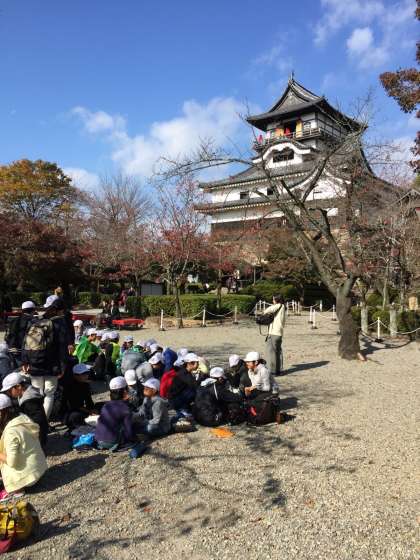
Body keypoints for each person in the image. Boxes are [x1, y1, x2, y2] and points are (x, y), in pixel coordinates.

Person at [22, 296, 71, 421]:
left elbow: (26, 341)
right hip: (51, 365)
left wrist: (25, 360)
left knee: (36, 393)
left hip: (34, 362)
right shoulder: (59, 324)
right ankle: (43, 422)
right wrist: (63, 367)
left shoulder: (36, 321)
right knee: (49, 393)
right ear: (58, 309)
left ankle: (34, 421)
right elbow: (62, 348)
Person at [0, 394, 47, 502]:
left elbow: (12, 462)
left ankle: (16, 489)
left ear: (2, 412)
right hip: (39, 470)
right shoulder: (22, 418)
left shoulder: (11, 431)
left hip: (28, 479)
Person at [1, 372, 48, 449]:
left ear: (18, 387)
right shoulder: (26, 390)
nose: (9, 394)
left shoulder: (29, 401)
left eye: (9, 391)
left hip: (37, 436)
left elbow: (38, 419)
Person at [94, 377, 135, 450]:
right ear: (125, 391)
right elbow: (128, 433)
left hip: (98, 439)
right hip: (110, 443)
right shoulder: (125, 409)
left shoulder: (106, 405)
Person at [61, 364, 96, 431]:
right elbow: (74, 405)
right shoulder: (70, 386)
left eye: (87, 373)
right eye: (83, 374)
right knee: (76, 416)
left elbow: (89, 400)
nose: (86, 376)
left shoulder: (85, 385)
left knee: (101, 406)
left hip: (82, 410)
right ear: (75, 375)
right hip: (70, 412)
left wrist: (93, 409)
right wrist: (90, 412)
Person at [5, 300, 37, 368]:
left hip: (11, 350)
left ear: (22, 310)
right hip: (24, 352)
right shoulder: (33, 321)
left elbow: (7, 336)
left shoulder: (13, 320)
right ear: (33, 310)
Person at [263, 295, 286, 375]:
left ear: (276, 300)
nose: (272, 301)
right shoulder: (283, 307)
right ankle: (279, 370)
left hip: (274, 332)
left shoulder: (278, 305)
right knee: (278, 351)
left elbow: (266, 310)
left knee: (272, 352)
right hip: (279, 332)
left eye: (273, 299)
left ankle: (273, 370)